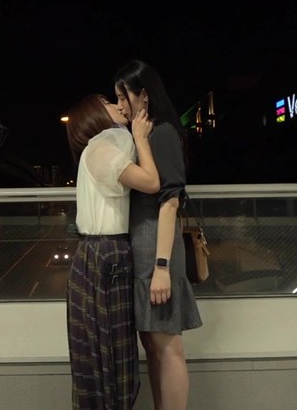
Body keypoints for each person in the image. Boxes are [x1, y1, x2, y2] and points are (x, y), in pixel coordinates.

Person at [113, 60, 203, 410]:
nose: (120, 105)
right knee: (152, 346)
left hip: (158, 252)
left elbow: (170, 202)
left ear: (144, 96)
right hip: (143, 250)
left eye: (124, 97)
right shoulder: (144, 135)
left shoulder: (162, 132)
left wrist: (162, 267)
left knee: (168, 347)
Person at [64, 93, 160, 409]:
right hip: (107, 252)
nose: (119, 106)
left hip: (95, 253)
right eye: (109, 102)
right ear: (94, 113)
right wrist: (141, 137)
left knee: (97, 347)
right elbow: (151, 182)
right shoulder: (106, 144)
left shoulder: (96, 148)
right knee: (113, 350)